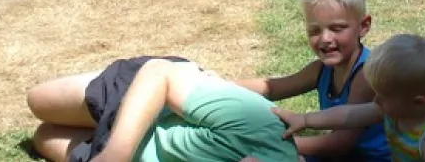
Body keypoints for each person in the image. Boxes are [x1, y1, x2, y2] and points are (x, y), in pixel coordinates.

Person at [234, 0, 391, 162]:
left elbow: (342, 142)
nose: (325, 39)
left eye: (337, 28)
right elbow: (273, 87)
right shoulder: (321, 70)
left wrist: (278, 143)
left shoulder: (367, 73)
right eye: (314, 30)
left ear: (364, 26)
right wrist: (220, 84)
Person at [26, 56, 297, 162]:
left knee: (44, 138)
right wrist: (115, 154)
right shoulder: (260, 124)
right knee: (38, 101)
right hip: (143, 97)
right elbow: (159, 73)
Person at [273, 34, 425, 162]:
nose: (376, 99)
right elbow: (349, 115)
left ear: (418, 101)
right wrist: (305, 120)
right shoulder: (396, 110)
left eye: (384, 95)